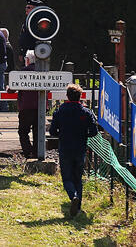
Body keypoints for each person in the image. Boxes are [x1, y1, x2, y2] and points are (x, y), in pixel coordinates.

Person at [50, 83, 98, 217]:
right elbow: (94, 132)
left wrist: (62, 134)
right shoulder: (86, 112)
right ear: (80, 96)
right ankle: (78, 207)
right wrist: (84, 135)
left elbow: (53, 131)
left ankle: (73, 196)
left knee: (67, 177)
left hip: (65, 147)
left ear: (67, 96)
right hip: (80, 148)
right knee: (78, 177)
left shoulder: (60, 111)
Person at [15, 50, 39, 158]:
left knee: (23, 132)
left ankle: (28, 152)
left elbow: (12, 88)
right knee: (38, 132)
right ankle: (37, 152)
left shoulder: (22, 72)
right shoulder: (43, 73)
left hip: (26, 107)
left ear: (28, 60)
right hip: (40, 107)